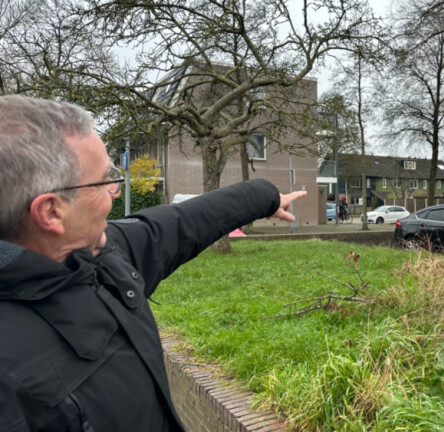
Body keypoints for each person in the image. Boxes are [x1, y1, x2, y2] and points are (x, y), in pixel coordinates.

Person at [0, 95, 306, 431]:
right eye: (104, 182)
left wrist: (266, 197)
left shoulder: (102, 255)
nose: (114, 193)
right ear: (51, 211)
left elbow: (183, 222)